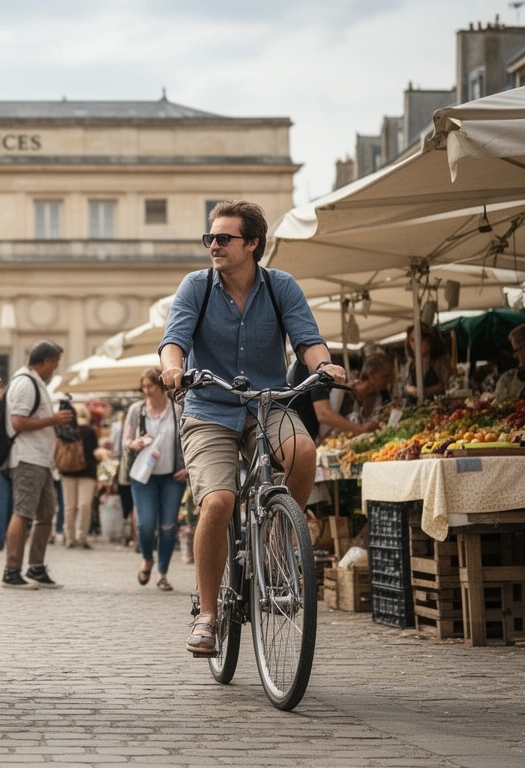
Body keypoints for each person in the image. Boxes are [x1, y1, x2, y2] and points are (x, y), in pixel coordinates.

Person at [158, 200, 345, 656]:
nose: (214, 245)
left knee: (303, 452)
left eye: (224, 238)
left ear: (252, 244)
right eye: (210, 238)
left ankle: (279, 540)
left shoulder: (281, 286)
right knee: (218, 502)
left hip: (267, 403)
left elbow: (308, 341)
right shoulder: (196, 286)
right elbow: (174, 340)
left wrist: (325, 366)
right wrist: (172, 368)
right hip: (209, 408)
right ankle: (207, 615)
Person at [1, 340, 72, 589]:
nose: (56, 369)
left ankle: (36, 567)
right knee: (23, 512)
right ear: (47, 361)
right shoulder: (25, 383)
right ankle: (11, 571)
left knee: (46, 514)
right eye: (56, 364)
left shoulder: (35, 382)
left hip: (40, 459)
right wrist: (53, 419)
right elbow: (18, 422)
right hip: (26, 458)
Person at [124, 367, 186, 591]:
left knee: (168, 526)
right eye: (143, 386)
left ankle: (162, 574)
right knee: (146, 524)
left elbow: (190, 439)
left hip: (172, 477)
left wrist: (187, 467)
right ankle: (147, 558)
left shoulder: (178, 410)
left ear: (161, 386)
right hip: (143, 477)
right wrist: (136, 443)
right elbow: (126, 441)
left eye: (150, 386)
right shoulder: (137, 410)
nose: (146, 390)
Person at [315, 353, 395, 439]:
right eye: (385, 376)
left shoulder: (383, 396)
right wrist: (360, 428)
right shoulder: (342, 392)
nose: (390, 380)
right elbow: (325, 417)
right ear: (371, 374)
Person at [59, 403, 100, 550]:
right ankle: (82, 537)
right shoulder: (89, 430)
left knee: (69, 506)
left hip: (67, 471)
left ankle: (69, 538)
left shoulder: (65, 429)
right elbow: (94, 451)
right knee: (84, 505)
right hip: (87, 473)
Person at [401, 323, 451, 400]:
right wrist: (413, 390)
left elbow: (447, 386)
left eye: (419, 339)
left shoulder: (440, 362)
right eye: (412, 340)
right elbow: (406, 385)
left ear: (429, 340)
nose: (415, 344)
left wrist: (426, 391)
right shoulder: (411, 365)